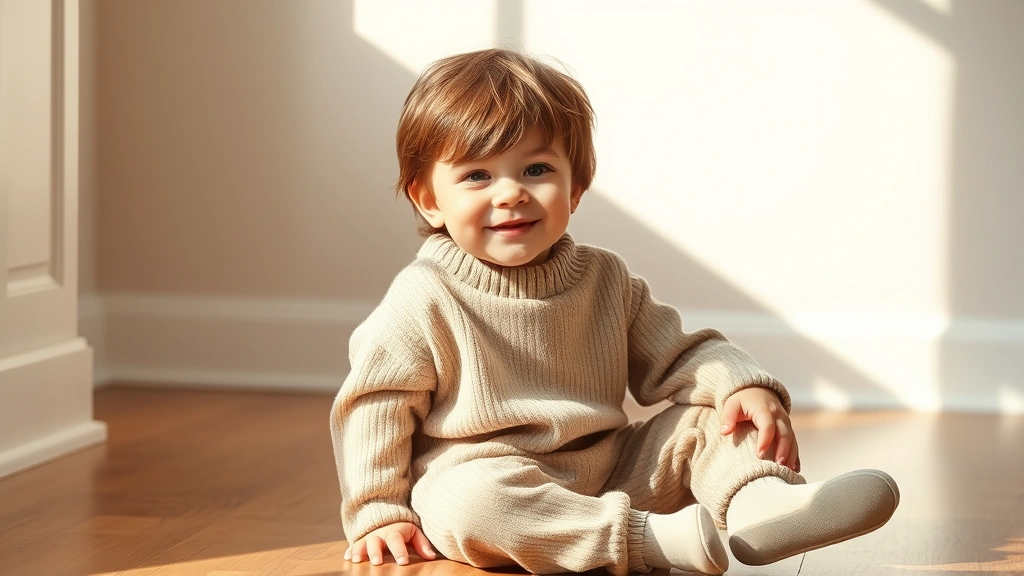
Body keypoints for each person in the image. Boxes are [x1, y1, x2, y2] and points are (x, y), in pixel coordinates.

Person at [330, 48, 899, 575]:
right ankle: (651, 541)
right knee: (466, 502)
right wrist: (379, 508)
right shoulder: (423, 295)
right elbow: (375, 406)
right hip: (495, 479)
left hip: (612, 468)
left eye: (536, 170)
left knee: (707, 421)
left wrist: (739, 386)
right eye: (477, 175)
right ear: (429, 200)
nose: (510, 194)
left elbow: (683, 353)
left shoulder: (605, 278)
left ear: (575, 188)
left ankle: (762, 504)